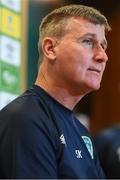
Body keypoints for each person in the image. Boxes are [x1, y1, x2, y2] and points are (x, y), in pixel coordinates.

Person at [0, 4, 111, 179]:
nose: (102, 56)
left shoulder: (81, 131)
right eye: (88, 41)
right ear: (50, 49)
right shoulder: (26, 119)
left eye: (103, 46)